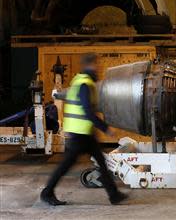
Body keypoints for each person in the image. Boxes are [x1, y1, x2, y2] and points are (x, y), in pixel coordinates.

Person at [40, 53, 127, 205]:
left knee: (101, 162)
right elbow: (87, 111)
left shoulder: (81, 81)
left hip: (84, 132)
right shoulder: (85, 84)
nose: (97, 68)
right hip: (79, 134)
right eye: (95, 64)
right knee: (65, 165)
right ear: (89, 65)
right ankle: (47, 192)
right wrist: (105, 128)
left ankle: (114, 195)